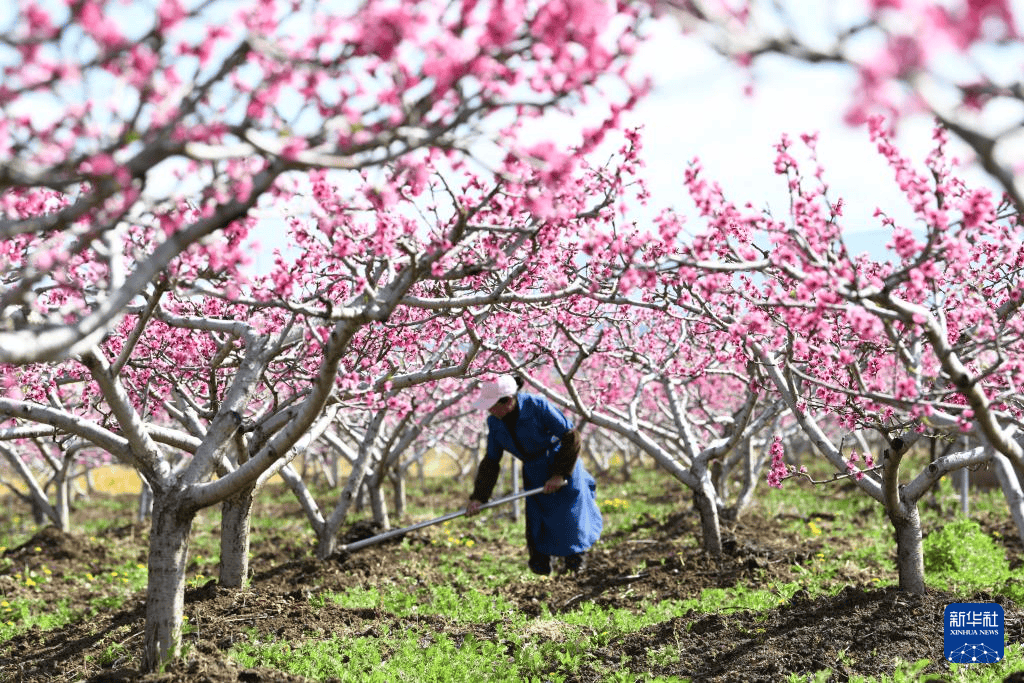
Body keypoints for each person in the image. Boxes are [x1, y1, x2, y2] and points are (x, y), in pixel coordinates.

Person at [465, 374, 602, 575]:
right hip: (534, 471)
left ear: (509, 400)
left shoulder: (536, 405)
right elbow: (491, 461)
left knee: (569, 518)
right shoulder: (494, 423)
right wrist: (479, 497)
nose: (490, 410)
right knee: (538, 520)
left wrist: (559, 474)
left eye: (493, 405)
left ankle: (575, 565)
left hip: (562, 465)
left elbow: (570, 436)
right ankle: (541, 567)